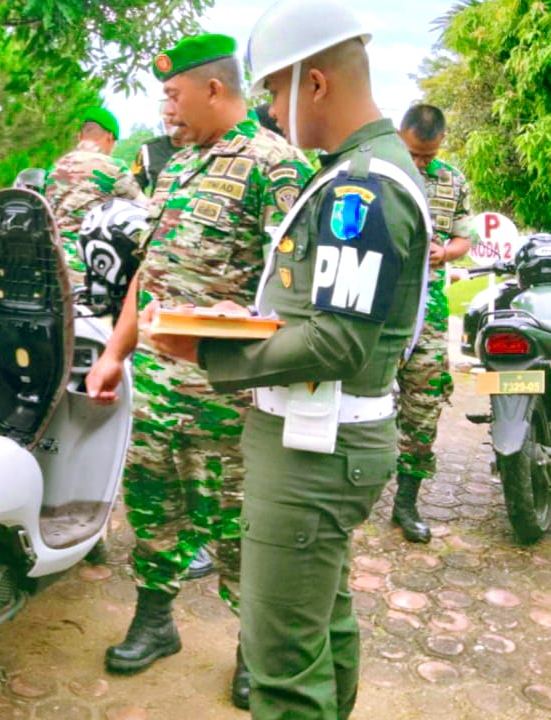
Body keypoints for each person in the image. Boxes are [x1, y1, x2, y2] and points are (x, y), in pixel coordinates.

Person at [142, 2, 431, 716]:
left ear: (317, 83)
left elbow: (338, 342)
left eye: (274, 90)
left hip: (312, 448)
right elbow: (325, 313)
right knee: (321, 630)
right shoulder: (355, 172)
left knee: (282, 672)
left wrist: (210, 352)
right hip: (318, 439)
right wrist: (252, 320)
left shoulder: (362, 189)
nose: (270, 108)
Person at [84, 33, 312, 710]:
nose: (167, 110)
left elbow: (294, 291)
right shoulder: (176, 166)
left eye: (175, 96)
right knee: (152, 507)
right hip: (156, 386)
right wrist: (114, 353)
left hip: (229, 396)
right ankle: (156, 624)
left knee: (238, 527)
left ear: (216, 89)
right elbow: (146, 277)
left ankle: (254, 648)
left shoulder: (277, 165)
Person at [393, 103, 472, 543]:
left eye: (428, 156)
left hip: (429, 314)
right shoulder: (380, 173)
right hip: (377, 312)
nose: (421, 164)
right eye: (414, 154)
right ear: (399, 136)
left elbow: (464, 236)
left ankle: (406, 503)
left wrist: (449, 253)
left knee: (422, 410)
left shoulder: (452, 179)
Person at [45, 107, 145, 286]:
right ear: (109, 137)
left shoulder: (55, 167)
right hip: (89, 263)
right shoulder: (114, 168)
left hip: (51, 258)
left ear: (79, 137)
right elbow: (144, 209)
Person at [130, 102, 185, 195]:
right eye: (165, 116)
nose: (168, 120)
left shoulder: (205, 148)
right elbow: (134, 188)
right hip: (158, 207)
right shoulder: (149, 149)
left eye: (173, 115)